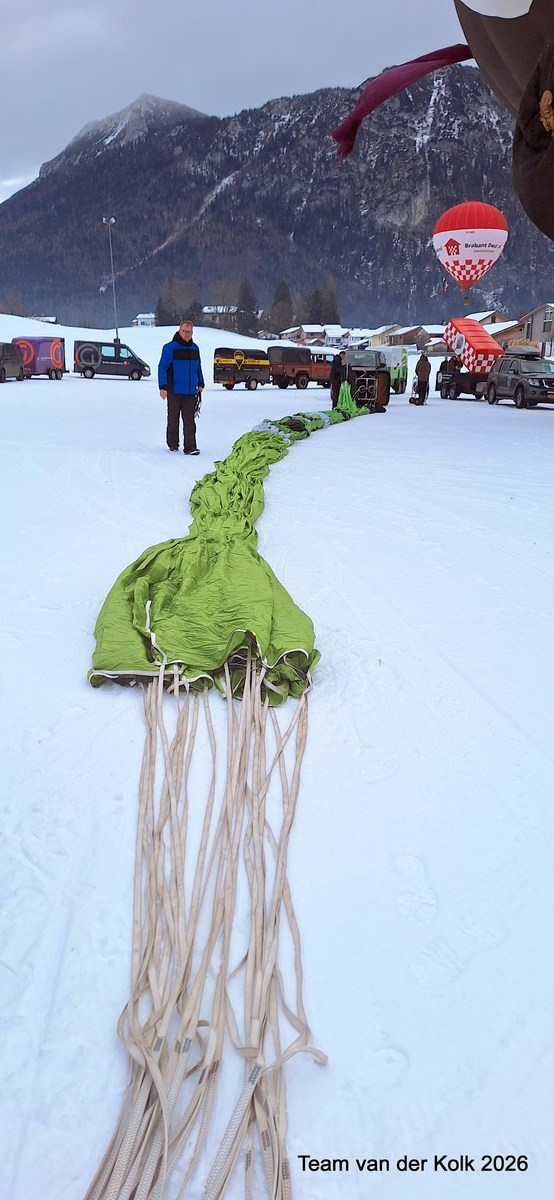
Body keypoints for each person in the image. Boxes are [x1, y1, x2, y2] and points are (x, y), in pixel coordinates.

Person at [158, 319, 204, 454]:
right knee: (173, 419)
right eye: (185, 331)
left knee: (189, 420)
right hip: (174, 390)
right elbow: (162, 367)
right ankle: (173, 443)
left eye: (190, 332)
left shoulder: (195, 348)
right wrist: (162, 387)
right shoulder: (169, 348)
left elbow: (198, 367)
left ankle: (190, 447)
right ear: (179, 331)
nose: (187, 334)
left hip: (190, 391)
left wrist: (201, 383)